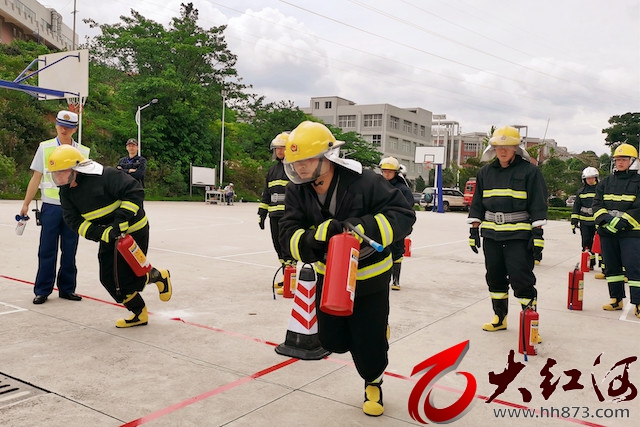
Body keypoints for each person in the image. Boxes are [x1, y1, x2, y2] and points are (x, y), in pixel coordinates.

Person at [278, 121, 416, 416]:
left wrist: (363, 228)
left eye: (306, 161)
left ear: (327, 158)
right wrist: (314, 238)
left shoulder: (365, 181)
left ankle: (373, 381)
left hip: (369, 278)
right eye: (295, 163)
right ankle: (375, 334)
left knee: (368, 348)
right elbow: (287, 234)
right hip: (329, 280)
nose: (300, 169)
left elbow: (403, 215)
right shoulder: (297, 191)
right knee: (332, 341)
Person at [47, 145, 172, 328]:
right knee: (108, 279)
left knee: (128, 277)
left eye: (61, 173)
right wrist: (102, 234)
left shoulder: (106, 176)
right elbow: (73, 221)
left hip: (134, 230)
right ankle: (153, 282)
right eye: (55, 175)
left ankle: (142, 307)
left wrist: (121, 220)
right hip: (108, 235)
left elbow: (135, 192)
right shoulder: (65, 192)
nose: (58, 179)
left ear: (76, 169)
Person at [467, 126, 548, 333]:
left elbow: (538, 205)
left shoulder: (530, 171)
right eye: (498, 147)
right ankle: (499, 317)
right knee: (494, 277)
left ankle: (530, 325)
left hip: (519, 236)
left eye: (507, 147)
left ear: (516, 148)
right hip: (492, 235)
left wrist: (538, 237)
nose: (502, 151)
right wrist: (474, 230)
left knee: (521, 279)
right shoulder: (485, 172)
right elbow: (478, 202)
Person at [19, 110, 90, 305]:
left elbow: (87, 184)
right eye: (60, 125)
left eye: (68, 127)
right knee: (46, 250)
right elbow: (36, 177)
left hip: (73, 210)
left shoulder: (83, 152)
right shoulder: (45, 147)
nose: (63, 129)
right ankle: (42, 290)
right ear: (55, 125)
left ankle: (67, 289)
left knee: (70, 250)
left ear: (74, 129)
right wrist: (26, 204)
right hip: (50, 207)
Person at [592, 143, 640, 318]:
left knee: (634, 269)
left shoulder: (638, 182)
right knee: (612, 269)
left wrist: (621, 222)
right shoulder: (606, 182)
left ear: (633, 161)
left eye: (624, 159)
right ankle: (616, 299)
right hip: (608, 232)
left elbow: (638, 208)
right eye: (617, 159)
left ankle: (638, 303)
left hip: (631, 233)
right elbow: (596, 204)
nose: (620, 162)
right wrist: (607, 221)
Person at [258, 132, 295, 289]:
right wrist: (262, 213)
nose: (279, 151)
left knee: (288, 247)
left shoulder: (294, 168)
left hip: (289, 215)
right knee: (278, 245)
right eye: (277, 148)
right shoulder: (272, 170)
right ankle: (285, 275)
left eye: (282, 148)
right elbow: (267, 193)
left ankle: (290, 279)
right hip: (274, 215)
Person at [379, 156, 414, 291]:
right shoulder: (377, 185)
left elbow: (408, 209)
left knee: (397, 252)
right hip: (379, 224)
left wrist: (404, 226)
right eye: (384, 171)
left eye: (389, 171)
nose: (386, 174)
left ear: (395, 172)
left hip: (396, 225)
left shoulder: (403, 189)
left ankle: (396, 280)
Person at [571, 167, 603, 275]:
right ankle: (589, 263)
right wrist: (574, 222)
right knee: (586, 243)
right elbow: (576, 207)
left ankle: (603, 265)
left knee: (599, 244)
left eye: (592, 178)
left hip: (597, 222)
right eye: (588, 178)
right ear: (584, 179)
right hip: (584, 222)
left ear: (596, 178)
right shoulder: (581, 192)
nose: (590, 180)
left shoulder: (600, 190)